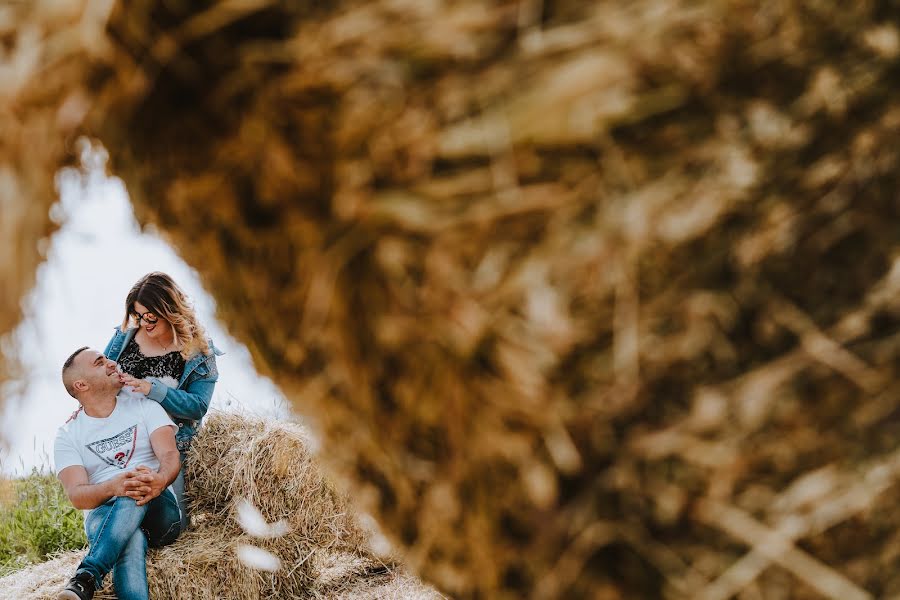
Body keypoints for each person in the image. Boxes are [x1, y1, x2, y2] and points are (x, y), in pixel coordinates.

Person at [55, 347, 182, 600]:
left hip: (159, 508)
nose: (112, 363)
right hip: (104, 516)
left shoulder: (144, 406)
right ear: (81, 384)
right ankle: (88, 579)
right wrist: (113, 487)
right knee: (130, 536)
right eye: (100, 362)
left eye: (108, 358)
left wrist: (160, 480)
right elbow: (78, 496)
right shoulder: (67, 435)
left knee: (136, 483)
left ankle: (86, 578)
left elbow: (169, 455)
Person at [103, 271, 220, 532]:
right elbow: (99, 378)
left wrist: (152, 389)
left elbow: (198, 406)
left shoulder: (200, 351)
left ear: (169, 310)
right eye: (138, 316)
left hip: (167, 447)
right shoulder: (123, 338)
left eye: (151, 316)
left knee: (171, 527)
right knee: (114, 520)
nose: (144, 323)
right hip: (120, 440)